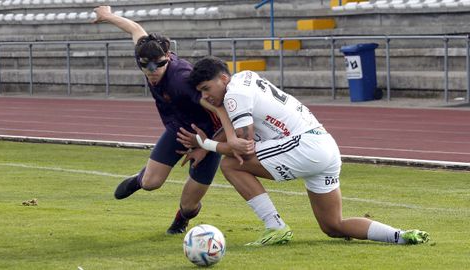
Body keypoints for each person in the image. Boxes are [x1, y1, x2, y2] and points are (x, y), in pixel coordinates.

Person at [181, 55, 429, 246]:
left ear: (223, 79)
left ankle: (275, 226)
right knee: (333, 226)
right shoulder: (244, 78)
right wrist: (218, 116)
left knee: (231, 164)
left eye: (206, 88)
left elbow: (243, 148)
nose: (205, 95)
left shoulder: (233, 95)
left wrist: (206, 141)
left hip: (304, 145)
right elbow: (237, 132)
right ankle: (401, 236)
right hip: (325, 146)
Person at [92, 6, 222, 234]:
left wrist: (206, 146)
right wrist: (108, 16)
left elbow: (222, 112)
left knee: (190, 205)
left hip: (210, 134)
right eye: (146, 66)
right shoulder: (146, 51)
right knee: (151, 183)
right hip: (177, 130)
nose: (152, 71)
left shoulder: (182, 81)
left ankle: (182, 219)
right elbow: (135, 29)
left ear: (168, 57)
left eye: (159, 65)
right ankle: (140, 178)